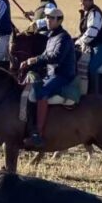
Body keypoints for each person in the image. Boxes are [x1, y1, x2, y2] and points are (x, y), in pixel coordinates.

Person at [19, 8, 76, 148]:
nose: (48, 20)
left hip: (62, 75)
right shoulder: (52, 36)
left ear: (59, 20)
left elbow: (56, 57)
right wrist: (29, 63)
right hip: (51, 73)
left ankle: (37, 134)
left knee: (42, 91)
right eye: (47, 18)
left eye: (51, 18)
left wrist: (34, 60)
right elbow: (45, 55)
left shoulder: (63, 38)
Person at [75, 0, 102, 93]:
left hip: (101, 46)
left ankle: (94, 95)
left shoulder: (95, 13)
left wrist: (78, 42)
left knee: (92, 68)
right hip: (90, 46)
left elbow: (92, 32)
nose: (82, 3)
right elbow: (84, 32)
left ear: (91, 1)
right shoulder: (86, 13)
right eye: (81, 1)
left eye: (85, 0)